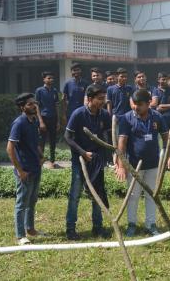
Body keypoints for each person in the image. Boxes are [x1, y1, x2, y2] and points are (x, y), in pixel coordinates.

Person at [116, 89, 170, 237]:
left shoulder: (157, 117)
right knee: (133, 195)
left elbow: (167, 138)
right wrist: (122, 165)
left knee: (151, 195)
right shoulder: (127, 118)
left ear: (149, 103)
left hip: (153, 164)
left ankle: (151, 224)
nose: (136, 107)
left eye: (140, 104)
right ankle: (131, 224)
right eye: (134, 104)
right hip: (133, 165)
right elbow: (122, 143)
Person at [64, 85, 111, 240]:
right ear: (90, 99)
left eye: (104, 98)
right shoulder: (78, 114)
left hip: (97, 160)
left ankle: (98, 227)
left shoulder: (104, 115)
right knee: (75, 194)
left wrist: (108, 154)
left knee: (97, 194)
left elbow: (107, 135)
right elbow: (68, 137)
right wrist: (82, 153)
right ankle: (70, 228)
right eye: (100, 99)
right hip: (80, 161)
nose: (103, 101)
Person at [6, 93, 45, 245]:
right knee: (22, 202)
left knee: (32, 200)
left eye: (34, 103)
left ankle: (31, 229)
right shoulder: (19, 123)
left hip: (35, 167)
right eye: (29, 104)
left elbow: (34, 143)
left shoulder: (34, 121)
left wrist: (41, 157)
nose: (34, 106)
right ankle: (20, 235)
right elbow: (10, 148)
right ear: (22, 107)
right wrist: (20, 170)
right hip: (25, 170)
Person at [35, 71, 60, 169]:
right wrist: (40, 121)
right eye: (49, 78)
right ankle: (39, 161)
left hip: (53, 118)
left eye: (52, 78)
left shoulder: (54, 91)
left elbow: (57, 106)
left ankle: (52, 161)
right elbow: (36, 106)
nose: (51, 80)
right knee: (42, 141)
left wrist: (58, 121)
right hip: (43, 118)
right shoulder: (39, 90)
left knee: (53, 141)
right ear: (44, 79)